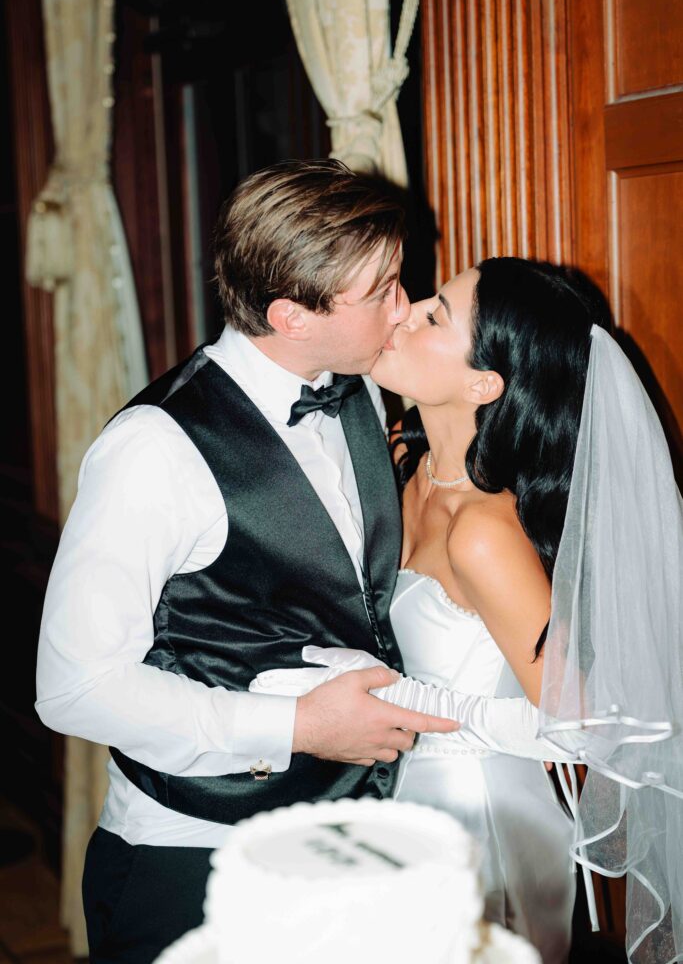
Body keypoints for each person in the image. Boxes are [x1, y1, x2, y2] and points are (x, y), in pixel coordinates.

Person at [35, 160, 463, 964]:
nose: (403, 309)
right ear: (290, 316)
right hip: (194, 856)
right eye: (380, 293)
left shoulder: (358, 389)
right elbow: (73, 689)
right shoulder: (152, 452)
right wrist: (300, 726)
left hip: (350, 845)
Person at [258, 255, 683, 963]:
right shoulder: (404, 458)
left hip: (476, 815)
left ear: (483, 383)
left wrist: (405, 698)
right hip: (394, 795)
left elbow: (583, 728)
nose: (404, 311)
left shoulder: (484, 533)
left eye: (434, 316)